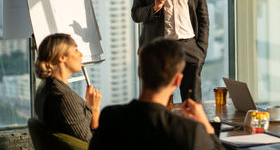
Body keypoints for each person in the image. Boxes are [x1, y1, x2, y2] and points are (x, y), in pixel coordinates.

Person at [89, 38, 224, 150]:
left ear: (139, 71)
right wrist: (206, 127)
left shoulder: (110, 118)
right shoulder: (190, 132)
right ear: (177, 80)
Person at [34, 33, 102, 142]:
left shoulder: (44, 88)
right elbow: (92, 144)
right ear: (62, 57)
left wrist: (88, 106)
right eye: (75, 50)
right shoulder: (64, 98)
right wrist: (94, 110)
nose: (81, 54)